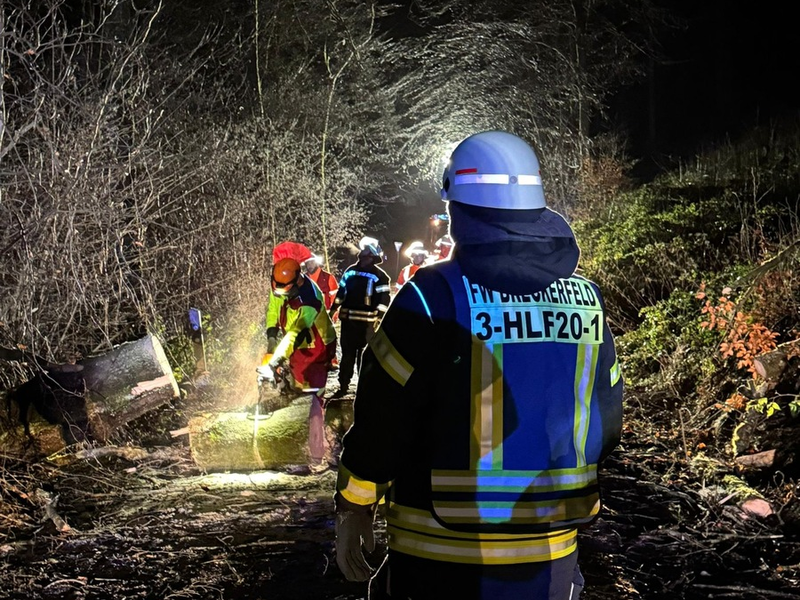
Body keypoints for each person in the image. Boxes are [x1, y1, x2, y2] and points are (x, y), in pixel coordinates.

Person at [333, 131, 624, 599]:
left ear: (457, 210)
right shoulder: (587, 303)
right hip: (551, 558)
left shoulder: (430, 297)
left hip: (438, 554)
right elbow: (608, 419)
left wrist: (354, 503)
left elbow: (383, 419)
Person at [261, 257, 337, 465]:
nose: (280, 294)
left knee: (312, 399)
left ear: (297, 282)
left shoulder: (311, 298)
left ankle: (315, 454)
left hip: (317, 347)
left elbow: (296, 332)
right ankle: (293, 441)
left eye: (285, 291)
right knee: (294, 390)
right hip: (295, 347)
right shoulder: (280, 283)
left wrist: (275, 360)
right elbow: (274, 310)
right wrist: (270, 339)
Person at [327, 236, 391, 399]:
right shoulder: (378, 275)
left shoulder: (352, 272)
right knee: (353, 356)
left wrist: (379, 317)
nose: (364, 258)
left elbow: (384, 300)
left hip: (362, 324)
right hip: (359, 323)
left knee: (359, 356)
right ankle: (351, 386)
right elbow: (342, 294)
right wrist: (334, 308)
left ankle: (356, 387)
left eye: (366, 256)